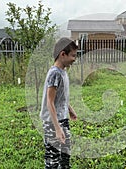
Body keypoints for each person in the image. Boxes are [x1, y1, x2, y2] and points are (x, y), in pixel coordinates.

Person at [40, 37, 78, 169]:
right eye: (73, 55)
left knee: (65, 152)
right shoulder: (54, 74)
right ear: (63, 54)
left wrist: (70, 109)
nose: (75, 59)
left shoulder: (63, 72)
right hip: (52, 122)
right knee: (53, 157)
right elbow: (49, 102)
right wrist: (57, 128)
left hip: (62, 118)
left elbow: (60, 97)